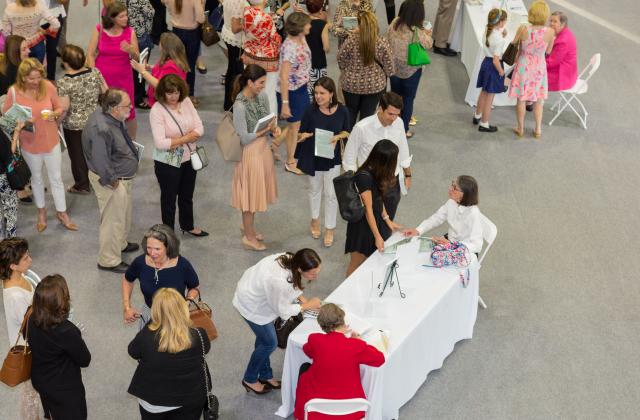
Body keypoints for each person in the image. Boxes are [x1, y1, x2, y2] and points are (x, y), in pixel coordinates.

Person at [2, 58, 78, 233]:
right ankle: (41, 213)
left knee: (56, 178)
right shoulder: (13, 92)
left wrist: (54, 114)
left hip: (50, 140)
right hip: (29, 144)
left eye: (38, 77)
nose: (36, 82)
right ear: (22, 77)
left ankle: (62, 212)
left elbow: (59, 107)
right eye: (31, 78)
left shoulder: (48, 86)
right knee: (36, 179)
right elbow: (6, 116)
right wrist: (20, 122)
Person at [232, 249, 323, 394]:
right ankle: (249, 379)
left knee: (264, 340)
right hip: (252, 304)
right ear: (299, 268)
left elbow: (292, 286)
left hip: (256, 290)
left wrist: (305, 302)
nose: (315, 276)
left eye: (317, 271)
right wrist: (306, 306)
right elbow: (283, 310)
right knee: (270, 343)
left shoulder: (290, 259)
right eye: (312, 273)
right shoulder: (279, 281)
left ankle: (265, 375)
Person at [128, 288, 211, 419]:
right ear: (182, 307)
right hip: (191, 398)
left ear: (155, 311)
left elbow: (133, 351)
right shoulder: (199, 334)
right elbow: (205, 350)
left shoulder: (146, 338)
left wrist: (152, 322)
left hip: (154, 403)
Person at [82, 88, 140, 273]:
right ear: (114, 107)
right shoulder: (101, 128)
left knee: (123, 214)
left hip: (121, 177)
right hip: (111, 180)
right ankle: (108, 259)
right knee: (112, 221)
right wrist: (112, 181)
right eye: (127, 106)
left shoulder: (111, 115)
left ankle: (120, 244)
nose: (131, 108)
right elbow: (100, 159)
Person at [294, 303, 385, 420]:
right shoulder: (356, 345)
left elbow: (307, 351)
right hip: (352, 411)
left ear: (321, 325)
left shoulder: (315, 339)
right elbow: (379, 359)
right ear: (342, 320)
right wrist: (358, 341)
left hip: (315, 410)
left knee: (305, 369)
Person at [149, 75, 208, 236]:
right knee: (168, 199)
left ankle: (187, 225)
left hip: (189, 157)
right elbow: (160, 143)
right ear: (162, 93)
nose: (174, 97)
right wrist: (187, 138)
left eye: (176, 92)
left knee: (187, 195)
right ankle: (168, 232)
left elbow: (200, 127)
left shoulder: (186, 101)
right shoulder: (157, 110)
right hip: (167, 162)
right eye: (169, 93)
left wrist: (178, 140)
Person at [296, 77, 351, 247]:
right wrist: (303, 136)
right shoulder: (309, 111)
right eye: (316, 93)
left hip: (332, 159)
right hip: (313, 157)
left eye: (322, 93)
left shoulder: (342, 111)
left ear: (331, 94)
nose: (318, 96)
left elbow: (347, 132)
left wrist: (337, 137)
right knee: (314, 190)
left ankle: (330, 228)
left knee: (331, 194)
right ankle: (314, 219)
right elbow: (300, 134)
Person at [231, 65, 281, 251]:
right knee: (249, 200)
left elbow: (268, 118)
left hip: (262, 151)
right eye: (260, 83)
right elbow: (243, 138)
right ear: (250, 82)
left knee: (254, 195)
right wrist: (264, 131)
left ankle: (249, 228)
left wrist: (273, 128)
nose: (263, 86)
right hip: (249, 154)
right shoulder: (239, 106)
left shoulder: (262, 97)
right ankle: (249, 237)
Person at [28, 274, 91, 420]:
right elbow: (85, 360)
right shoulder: (67, 330)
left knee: (51, 411)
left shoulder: (32, 318)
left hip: (41, 379)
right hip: (64, 388)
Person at [342, 91, 412, 221]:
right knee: (368, 222)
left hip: (392, 182)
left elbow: (403, 149)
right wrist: (356, 187)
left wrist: (408, 175)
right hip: (370, 183)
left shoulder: (399, 123)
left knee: (388, 221)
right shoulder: (361, 128)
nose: (393, 118)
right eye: (390, 114)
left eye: (397, 115)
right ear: (380, 108)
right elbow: (349, 159)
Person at [345, 140, 404, 275]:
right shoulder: (364, 177)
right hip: (362, 226)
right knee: (356, 263)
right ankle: (347, 292)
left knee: (368, 262)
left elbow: (379, 199)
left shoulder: (376, 171)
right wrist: (377, 236)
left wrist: (388, 220)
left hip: (374, 222)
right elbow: (368, 210)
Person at [122, 224, 200, 326]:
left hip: (176, 317)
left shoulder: (182, 265)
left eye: (157, 249)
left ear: (168, 247)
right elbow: (127, 279)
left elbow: (195, 286)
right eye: (149, 248)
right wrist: (127, 307)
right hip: (149, 315)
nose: (152, 253)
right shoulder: (140, 262)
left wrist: (187, 303)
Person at [0, 237, 43, 419]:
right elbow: (29, 328)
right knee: (32, 393)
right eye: (25, 259)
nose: (30, 260)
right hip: (30, 347)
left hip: (32, 338)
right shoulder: (15, 296)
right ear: (12, 266)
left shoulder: (20, 276)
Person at [57, 44, 108, 195]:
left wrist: (56, 124)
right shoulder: (95, 72)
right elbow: (105, 91)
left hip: (74, 127)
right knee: (96, 151)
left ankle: (82, 184)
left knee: (78, 155)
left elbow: (64, 108)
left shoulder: (64, 82)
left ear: (65, 62)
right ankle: (101, 177)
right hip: (95, 121)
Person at [87, 1, 140, 139]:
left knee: (129, 112)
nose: (126, 18)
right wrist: (94, 76)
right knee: (104, 110)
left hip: (124, 79)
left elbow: (138, 58)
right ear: (112, 18)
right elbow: (90, 54)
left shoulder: (130, 32)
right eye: (122, 16)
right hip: (103, 80)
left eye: (126, 15)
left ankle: (131, 144)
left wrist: (131, 50)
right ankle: (106, 142)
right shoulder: (99, 30)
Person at [337, 10, 395, 128]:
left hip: (351, 85)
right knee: (367, 118)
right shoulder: (382, 42)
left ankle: (346, 140)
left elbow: (340, 58)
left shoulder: (351, 40)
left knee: (350, 113)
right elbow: (390, 69)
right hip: (374, 87)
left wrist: (346, 68)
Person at [508, 0, 554, 139]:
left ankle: (520, 128)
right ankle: (538, 129)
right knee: (539, 100)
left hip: (523, 65)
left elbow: (516, 47)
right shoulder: (550, 32)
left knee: (521, 98)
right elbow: (549, 51)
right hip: (539, 66)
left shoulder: (523, 29)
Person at [387, 0, 432, 138]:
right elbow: (429, 44)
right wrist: (428, 33)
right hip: (411, 72)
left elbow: (387, 38)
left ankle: (392, 123)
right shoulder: (417, 32)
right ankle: (404, 129)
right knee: (408, 100)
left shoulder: (394, 23)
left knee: (395, 97)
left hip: (394, 70)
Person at [404, 175, 483, 255]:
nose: (450, 188)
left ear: (464, 194)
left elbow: (477, 246)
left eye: (454, 188)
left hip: (464, 250)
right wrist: (418, 230)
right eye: (452, 184)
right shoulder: (451, 202)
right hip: (450, 240)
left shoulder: (474, 214)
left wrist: (452, 246)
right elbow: (436, 218)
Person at [275, 12, 312, 175]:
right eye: (307, 24)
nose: (310, 26)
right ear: (300, 28)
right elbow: (283, 77)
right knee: (294, 127)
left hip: (301, 88)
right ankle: (290, 161)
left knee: (295, 124)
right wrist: (285, 104)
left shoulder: (300, 38)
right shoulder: (290, 47)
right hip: (291, 93)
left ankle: (274, 144)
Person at [242, 0, 282, 118]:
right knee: (269, 93)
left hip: (250, 56)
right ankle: (270, 125)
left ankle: (252, 121)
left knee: (251, 91)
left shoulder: (246, 12)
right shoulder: (267, 18)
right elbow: (276, 39)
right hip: (267, 60)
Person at [131, 32, 190, 107]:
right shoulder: (173, 60)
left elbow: (160, 85)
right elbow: (162, 69)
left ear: (165, 48)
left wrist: (143, 72)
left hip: (164, 102)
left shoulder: (170, 65)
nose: (159, 45)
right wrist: (150, 67)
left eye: (160, 43)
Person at [473, 8, 508, 133]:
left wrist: (502, 33)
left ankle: (477, 115)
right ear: (501, 22)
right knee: (490, 97)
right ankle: (484, 123)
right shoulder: (499, 40)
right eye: (505, 21)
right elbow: (496, 60)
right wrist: (501, 72)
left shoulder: (487, 32)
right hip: (493, 67)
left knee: (483, 92)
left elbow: (493, 41)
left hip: (485, 64)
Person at [163, 0, 205, 101]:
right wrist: (202, 4)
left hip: (176, 31)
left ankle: (174, 92)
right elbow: (201, 19)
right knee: (190, 65)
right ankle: (189, 94)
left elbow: (165, 3)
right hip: (192, 33)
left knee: (176, 63)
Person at [126, 0, 156, 109]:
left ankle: (139, 93)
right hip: (141, 35)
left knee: (133, 67)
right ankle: (138, 97)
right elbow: (150, 12)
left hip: (128, 35)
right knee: (140, 68)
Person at [220, 0, 246, 111]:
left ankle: (228, 104)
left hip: (228, 36)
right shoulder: (238, 2)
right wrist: (251, 23)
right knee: (237, 75)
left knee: (231, 71)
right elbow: (235, 28)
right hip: (236, 41)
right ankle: (233, 105)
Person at [546, 11, 578, 92]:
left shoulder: (563, 41)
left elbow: (551, 63)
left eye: (555, 21)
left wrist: (536, 64)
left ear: (562, 24)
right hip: (569, 72)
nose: (551, 23)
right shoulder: (564, 32)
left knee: (532, 74)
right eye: (551, 21)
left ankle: (531, 101)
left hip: (562, 75)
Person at [305, 0, 330, 101]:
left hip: (306, 62)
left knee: (308, 90)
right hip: (318, 63)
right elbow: (326, 47)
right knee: (319, 90)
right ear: (320, 10)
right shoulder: (322, 25)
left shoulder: (303, 23)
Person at [0, 123, 22, 238]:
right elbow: (9, 154)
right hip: (2, 179)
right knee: (10, 210)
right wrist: (17, 133)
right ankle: (10, 245)